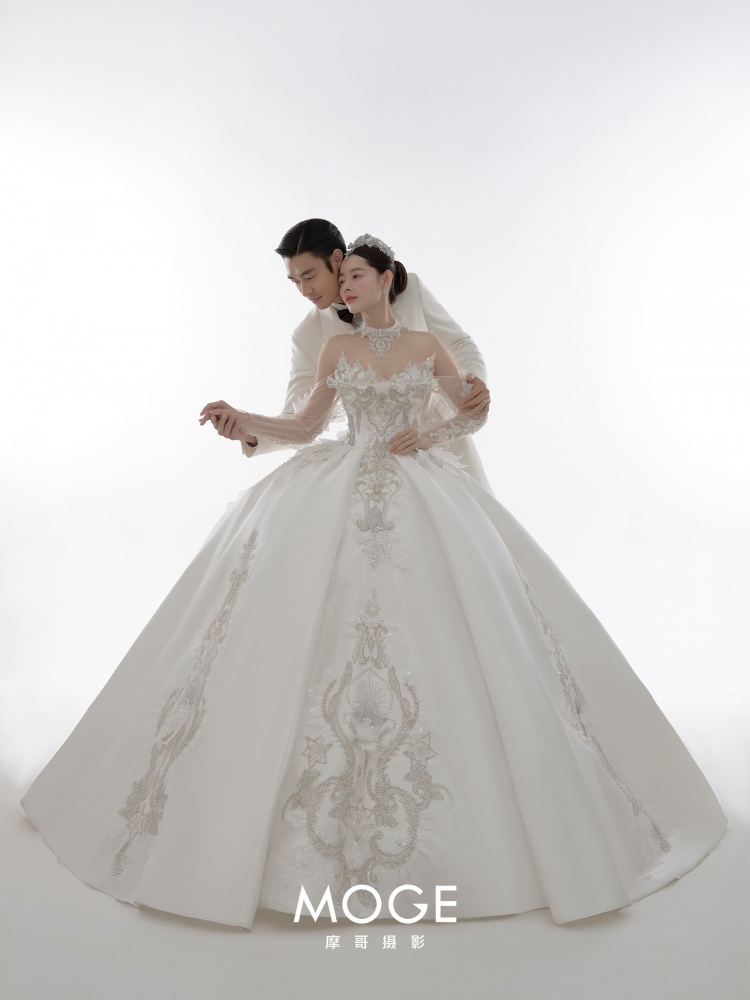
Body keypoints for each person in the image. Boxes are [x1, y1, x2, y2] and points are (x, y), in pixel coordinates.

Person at [20, 234, 726, 930]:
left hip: (423, 487)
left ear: (380, 277)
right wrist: (243, 423)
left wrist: (440, 429)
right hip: (341, 481)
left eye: (331, 276)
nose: (322, 289)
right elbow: (303, 423)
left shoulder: (423, 339)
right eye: (315, 280)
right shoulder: (326, 343)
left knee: (462, 625)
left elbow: (473, 399)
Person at [204, 218, 494, 490]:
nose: (304, 290)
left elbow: (459, 344)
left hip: (443, 445)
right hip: (367, 471)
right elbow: (301, 419)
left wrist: (472, 385)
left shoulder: (409, 288)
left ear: (336, 259)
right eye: (295, 281)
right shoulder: (308, 334)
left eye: (309, 275)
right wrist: (248, 431)